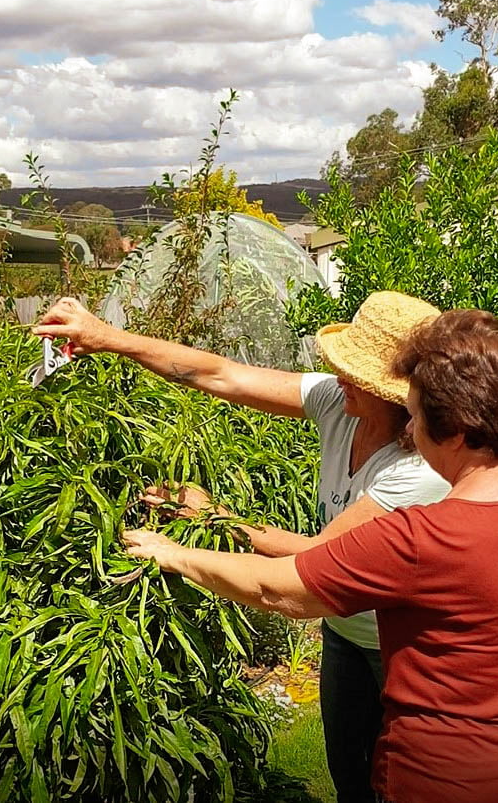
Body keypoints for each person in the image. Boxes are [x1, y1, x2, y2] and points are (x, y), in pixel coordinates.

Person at [35, 291, 449, 803]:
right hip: (344, 628)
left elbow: (321, 559)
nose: (338, 375)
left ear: (391, 394)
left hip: (400, 642)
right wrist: (106, 338)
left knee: (396, 779)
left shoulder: (418, 470)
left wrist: (214, 519)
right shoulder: (341, 406)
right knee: (348, 768)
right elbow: (221, 374)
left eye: (354, 373)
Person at [123, 308, 498, 803]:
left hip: (435, 775)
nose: (411, 428)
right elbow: (224, 374)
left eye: (417, 415)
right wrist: (111, 338)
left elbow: (281, 586)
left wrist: (172, 552)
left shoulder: (422, 535)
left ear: (454, 432)